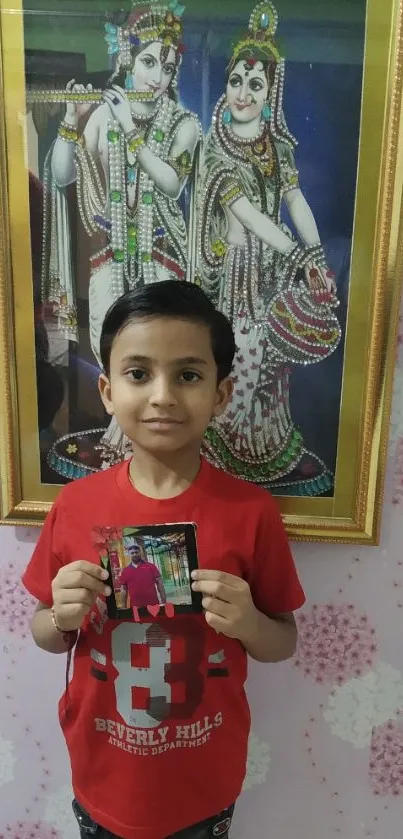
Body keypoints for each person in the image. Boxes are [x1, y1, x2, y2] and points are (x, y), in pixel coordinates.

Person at [22, 280, 305, 839]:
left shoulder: (251, 512)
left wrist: (248, 623)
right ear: (106, 390)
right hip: (102, 771)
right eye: (138, 373)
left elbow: (283, 641)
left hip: (205, 779)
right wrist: (61, 616)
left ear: (222, 394)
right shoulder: (75, 505)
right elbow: (44, 632)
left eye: (189, 375)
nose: (163, 396)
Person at [42, 1, 201, 473]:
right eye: (150, 61)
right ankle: (125, 430)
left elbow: (172, 182)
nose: (158, 76)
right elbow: (62, 175)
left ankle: (153, 442)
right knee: (109, 345)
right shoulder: (103, 117)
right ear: (129, 59)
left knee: (162, 352)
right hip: (111, 256)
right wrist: (72, 120)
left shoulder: (184, 124)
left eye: (168, 67)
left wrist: (131, 130)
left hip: (160, 256)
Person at [197, 1, 341, 496]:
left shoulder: (278, 147)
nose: (243, 92)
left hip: (272, 273)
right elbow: (250, 218)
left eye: (255, 84)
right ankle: (217, 455)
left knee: (272, 365)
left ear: (269, 92)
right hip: (234, 275)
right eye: (237, 80)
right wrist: (299, 257)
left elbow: (294, 200)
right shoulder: (216, 149)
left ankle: (259, 448)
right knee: (239, 357)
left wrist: (317, 254)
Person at [119, 536, 167, 608]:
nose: (134, 554)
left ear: (140, 552)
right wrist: (123, 607)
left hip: (153, 605)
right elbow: (123, 590)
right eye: (132, 553)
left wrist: (164, 602)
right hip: (135, 608)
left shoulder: (151, 566)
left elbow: (160, 584)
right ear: (129, 554)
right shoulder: (125, 571)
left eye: (136, 552)